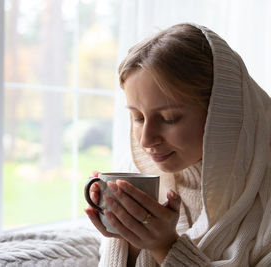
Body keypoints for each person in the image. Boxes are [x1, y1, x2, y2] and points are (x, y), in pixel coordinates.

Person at [84, 23, 271, 266]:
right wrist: (126, 237)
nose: (145, 140)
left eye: (169, 118)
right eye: (138, 117)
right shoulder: (139, 173)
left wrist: (165, 246)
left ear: (223, 114)